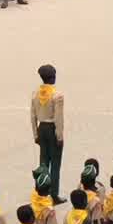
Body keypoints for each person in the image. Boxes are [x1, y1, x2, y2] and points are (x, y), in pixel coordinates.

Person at [30, 63, 65, 202]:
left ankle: (41, 192)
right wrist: (59, 136)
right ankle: (54, 194)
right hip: (52, 129)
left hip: (41, 128)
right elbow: (58, 118)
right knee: (55, 164)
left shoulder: (35, 94)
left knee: (43, 162)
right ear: (53, 77)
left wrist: (35, 134)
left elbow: (32, 116)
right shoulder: (57, 95)